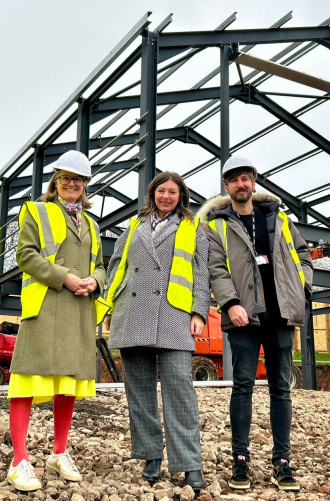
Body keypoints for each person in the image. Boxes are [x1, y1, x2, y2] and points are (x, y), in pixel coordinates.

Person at [198, 154, 313, 493]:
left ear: (254, 180)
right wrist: (230, 303)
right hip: (242, 317)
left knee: (280, 388)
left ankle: (282, 461)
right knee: (243, 386)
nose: (241, 184)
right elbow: (215, 268)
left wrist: (302, 287)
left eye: (245, 178)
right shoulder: (216, 224)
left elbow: (303, 256)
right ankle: (241, 459)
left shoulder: (280, 219)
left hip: (280, 315)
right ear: (226, 186)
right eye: (234, 179)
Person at [6, 150, 107, 492]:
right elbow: (25, 254)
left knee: (68, 381)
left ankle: (58, 452)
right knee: (26, 380)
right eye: (66, 178)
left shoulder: (92, 224)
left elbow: (101, 265)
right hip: (46, 305)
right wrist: (63, 277)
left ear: (85, 185)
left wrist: (96, 280)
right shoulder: (35, 211)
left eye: (78, 180)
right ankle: (19, 459)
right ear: (56, 181)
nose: (72, 184)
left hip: (79, 309)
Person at [104, 171, 209, 492]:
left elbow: (200, 271)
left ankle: (190, 463)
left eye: (172, 192)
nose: (166, 196)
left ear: (181, 196)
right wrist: (109, 307)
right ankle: (150, 455)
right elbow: (116, 265)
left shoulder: (193, 227)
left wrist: (199, 311)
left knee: (181, 391)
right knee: (140, 391)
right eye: (161, 191)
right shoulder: (135, 224)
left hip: (173, 313)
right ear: (153, 194)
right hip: (132, 312)